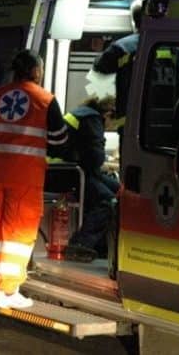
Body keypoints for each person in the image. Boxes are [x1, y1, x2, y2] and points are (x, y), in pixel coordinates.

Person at [0, 49, 68, 309]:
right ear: (36, 71)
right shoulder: (44, 100)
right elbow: (60, 143)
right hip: (23, 177)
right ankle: (8, 291)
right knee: (17, 234)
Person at [62, 95, 120, 266]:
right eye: (111, 124)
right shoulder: (92, 119)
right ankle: (81, 244)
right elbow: (96, 157)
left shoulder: (84, 114)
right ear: (108, 114)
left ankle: (101, 245)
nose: (110, 127)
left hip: (71, 169)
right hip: (68, 172)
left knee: (120, 190)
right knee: (108, 200)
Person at [89, 0, 143, 159]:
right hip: (162, 124)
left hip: (130, 123)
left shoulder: (123, 47)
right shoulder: (171, 46)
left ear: (134, 21)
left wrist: (107, 46)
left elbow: (100, 67)